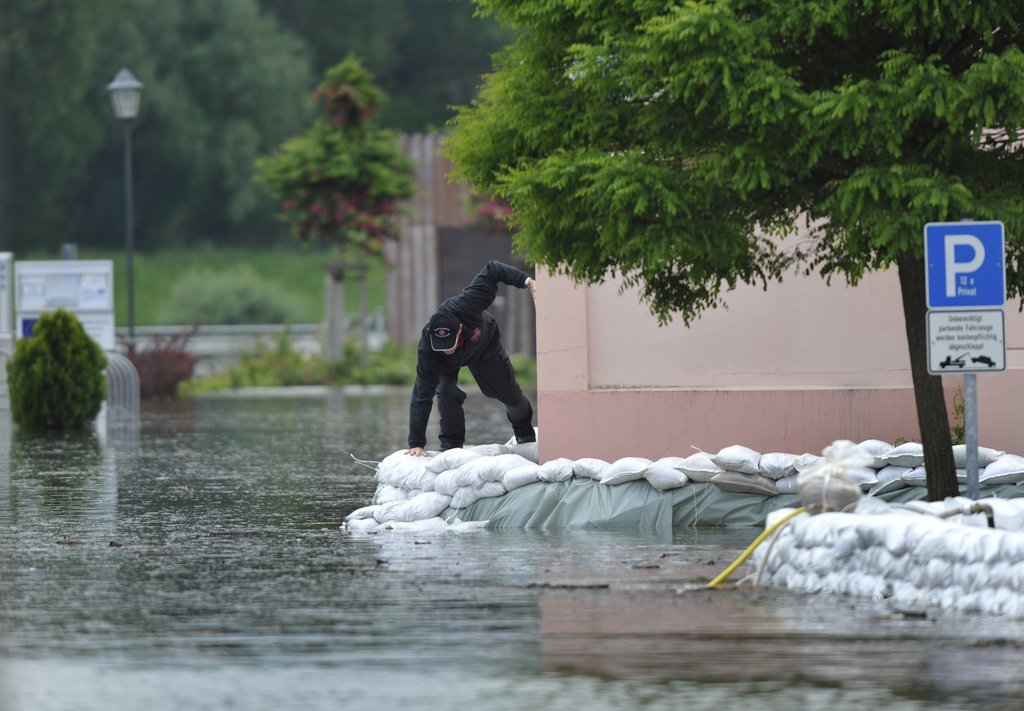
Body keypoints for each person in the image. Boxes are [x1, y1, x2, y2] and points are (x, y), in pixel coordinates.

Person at [406, 260, 537, 456]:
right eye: (441, 346)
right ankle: (451, 446)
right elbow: (421, 395)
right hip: (447, 365)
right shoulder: (429, 349)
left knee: (508, 395)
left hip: (484, 346)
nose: (446, 350)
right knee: (446, 392)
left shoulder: (468, 304)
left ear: (459, 329)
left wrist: (527, 281)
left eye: (449, 344)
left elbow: (492, 269)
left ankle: (525, 435)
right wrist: (417, 443)